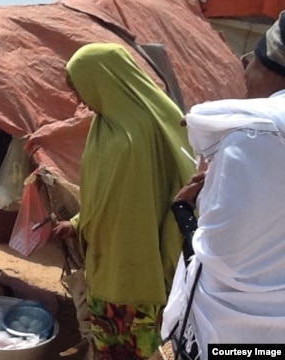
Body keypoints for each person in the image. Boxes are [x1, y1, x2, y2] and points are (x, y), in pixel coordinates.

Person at [54, 43, 196, 359]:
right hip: (105, 272)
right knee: (106, 351)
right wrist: (76, 223)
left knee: (143, 354)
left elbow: (179, 188)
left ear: (102, 78)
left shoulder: (156, 125)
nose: (78, 98)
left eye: (79, 87)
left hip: (144, 277)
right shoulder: (102, 128)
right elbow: (108, 197)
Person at [161, 12, 285, 359]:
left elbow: (222, 259)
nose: (245, 60)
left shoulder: (253, 138)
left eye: (258, 54)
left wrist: (185, 213)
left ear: (276, 68)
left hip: (232, 339)